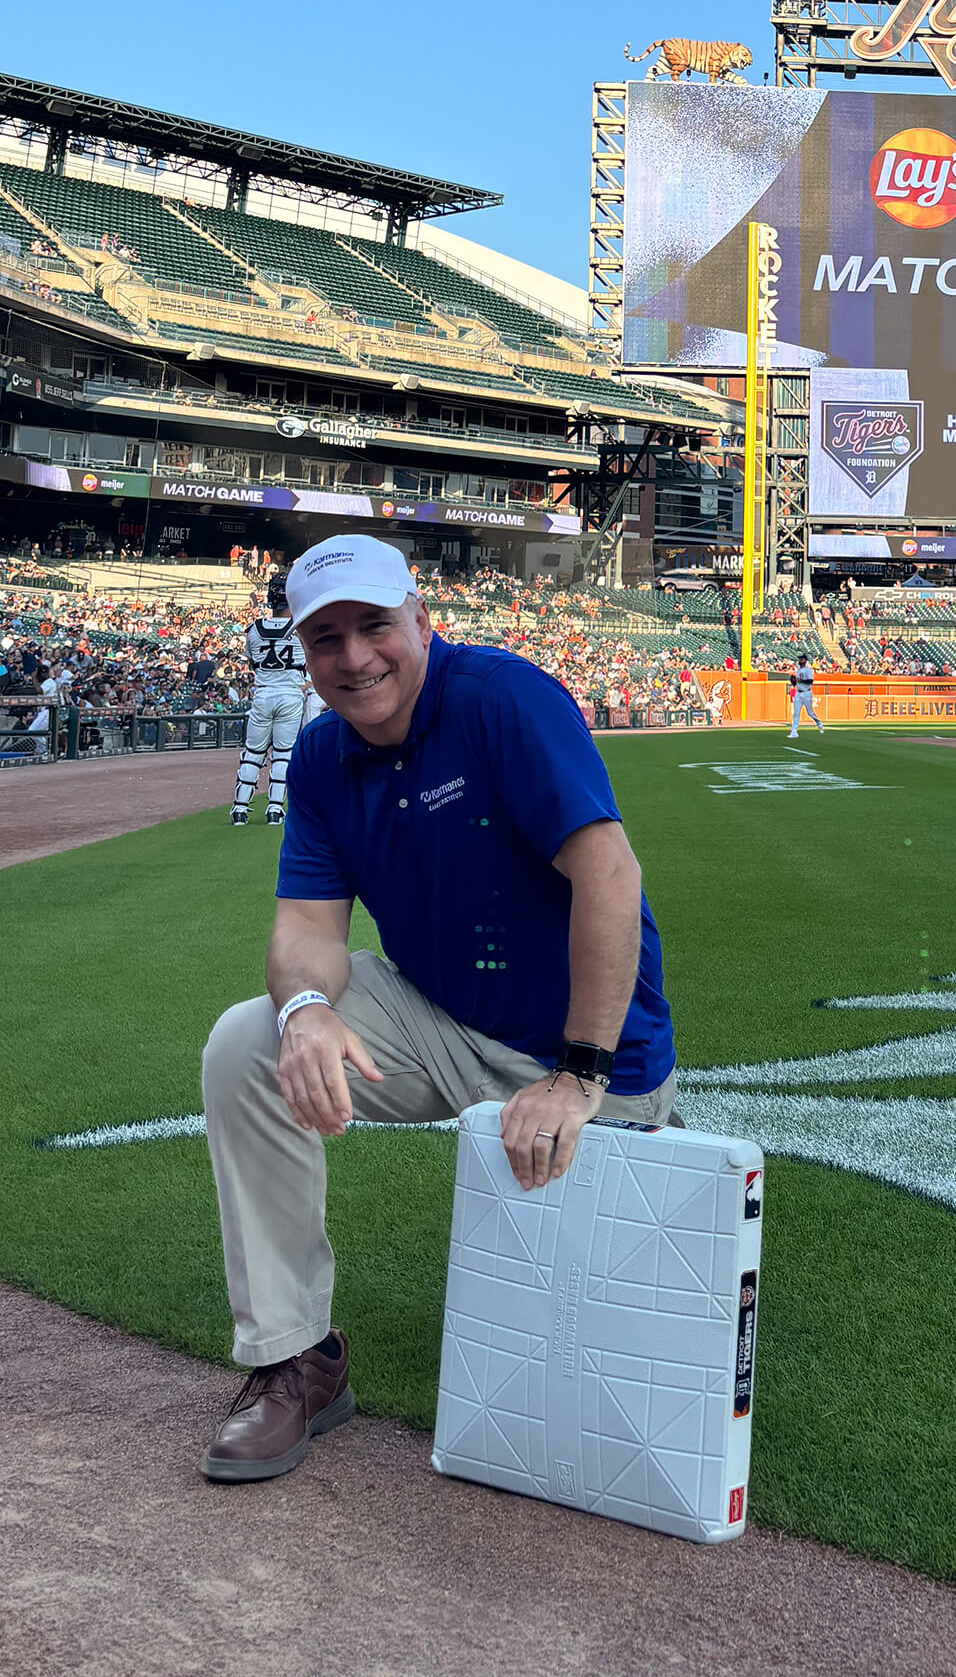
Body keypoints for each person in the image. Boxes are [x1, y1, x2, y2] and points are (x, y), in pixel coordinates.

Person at [198, 534, 679, 1483]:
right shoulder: (323, 756)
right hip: (437, 1021)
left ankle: (626, 1126)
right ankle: (296, 1358)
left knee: (608, 1366)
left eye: (374, 626)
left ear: (422, 621)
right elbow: (305, 925)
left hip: (588, 1055)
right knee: (247, 1041)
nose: (353, 658)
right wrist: (302, 1011)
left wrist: (580, 1073)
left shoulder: (502, 698)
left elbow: (609, 875)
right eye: (324, 638)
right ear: (302, 650)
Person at [231, 573, 310, 827]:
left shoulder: (253, 630)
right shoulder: (301, 628)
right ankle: (275, 808)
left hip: (263, 693)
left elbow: (253, 662)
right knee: (283, 754)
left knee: (253, 752)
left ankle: (240, 809)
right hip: (290, 694)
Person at [786, 653, 824, 739]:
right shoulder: (799, 670)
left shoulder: (808, 670)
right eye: (799, 659)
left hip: (807, 693)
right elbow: (797, 682)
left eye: (801, 659)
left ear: (805, 661)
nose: (800, 660)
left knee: (810, 713)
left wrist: (799, 680)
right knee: (796, 713)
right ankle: (794, 732)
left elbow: (810, 682)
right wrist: (794, 681)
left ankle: (819, 723)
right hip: (798, 693)